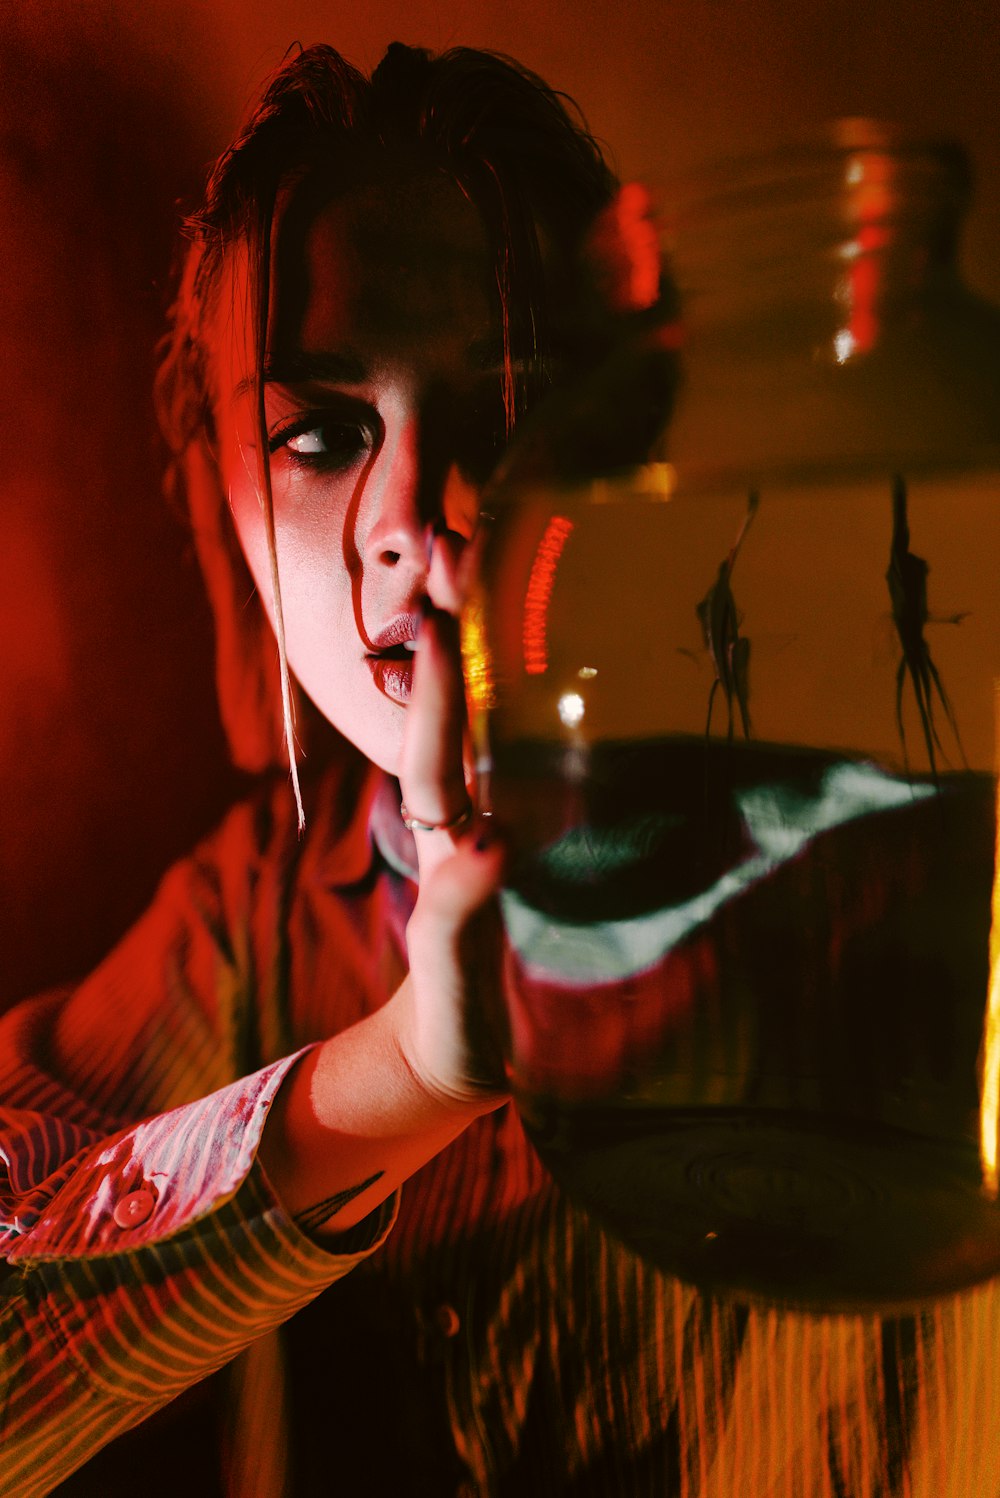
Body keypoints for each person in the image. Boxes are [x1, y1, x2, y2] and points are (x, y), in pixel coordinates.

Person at [1, 40, 998, 1498]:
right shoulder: (248, 926)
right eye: (321, 432)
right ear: (221, 522)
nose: (419, 508)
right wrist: (398, 1072)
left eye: (510, 398)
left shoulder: (895, 856)